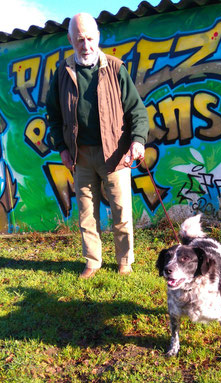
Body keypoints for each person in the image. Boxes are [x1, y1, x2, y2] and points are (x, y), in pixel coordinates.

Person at [46, 13, 149, 278]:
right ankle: (92, 261)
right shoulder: (63, 73)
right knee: (86, 213)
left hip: (114, 154)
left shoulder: (115, 68)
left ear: (98, 37)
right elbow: (54, 116)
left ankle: (125, 260)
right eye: (79, 39)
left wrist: (137, 141)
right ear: (70, 39)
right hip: (80, 155)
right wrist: (63, 148)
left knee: (121, 211)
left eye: (90, 38)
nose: (86, 45)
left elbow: (137, 111)